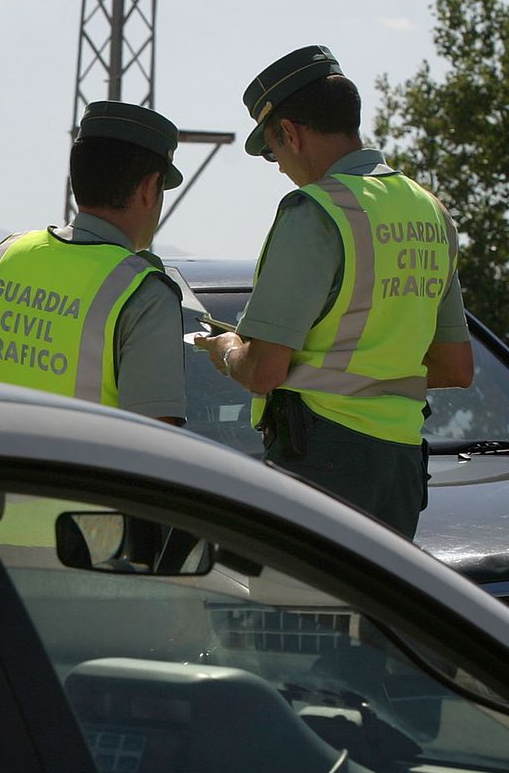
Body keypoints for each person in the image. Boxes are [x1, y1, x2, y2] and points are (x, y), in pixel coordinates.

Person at [196, 45, 474, 539]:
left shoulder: (314, 211)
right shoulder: (430, 211)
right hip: (403, 467)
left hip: (323, 462)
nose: (279, 166)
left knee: (308, 616)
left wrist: (229, 351)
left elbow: (263, 372)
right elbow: (455, 367)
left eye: (274, 151)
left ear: (291, 133)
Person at [0, 99, 187, 425]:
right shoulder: (144, 293)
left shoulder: (1, 258)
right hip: (86, 475)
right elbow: (161, 442)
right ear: (150, 188)